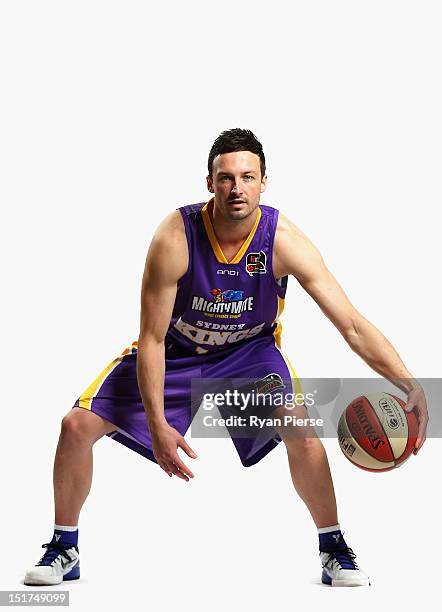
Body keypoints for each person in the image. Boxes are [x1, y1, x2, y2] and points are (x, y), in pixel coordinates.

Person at [24, 128, 428, 588]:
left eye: (248, 177)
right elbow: (152, 338)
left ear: (264, 182)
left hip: (249, 356)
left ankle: (334, 548)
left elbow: (352, 325)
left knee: (302, 430)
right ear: (210, 183)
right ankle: (64, 546)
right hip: (176, 352)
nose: (237, 188)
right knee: (75, 427)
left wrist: (410, 383)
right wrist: (158, 426)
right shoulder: (175, 236)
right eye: (226, 178)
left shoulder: (283, 240)